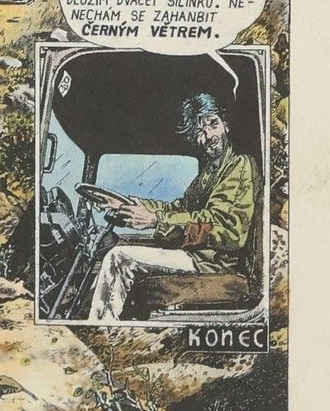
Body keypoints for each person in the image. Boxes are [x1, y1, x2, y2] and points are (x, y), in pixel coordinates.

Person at [83, 91, 259, 322]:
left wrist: (156, 221)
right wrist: (127, 204)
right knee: (117, 255)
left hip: (212, 263)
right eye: (199, 131)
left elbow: (223, 227)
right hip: (194, 255)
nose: (208, 135)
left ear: (225, 125)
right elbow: (177, 208)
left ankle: (99, 330)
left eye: (212, 124)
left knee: (120, 259)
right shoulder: (208, 174)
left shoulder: (239, 165)